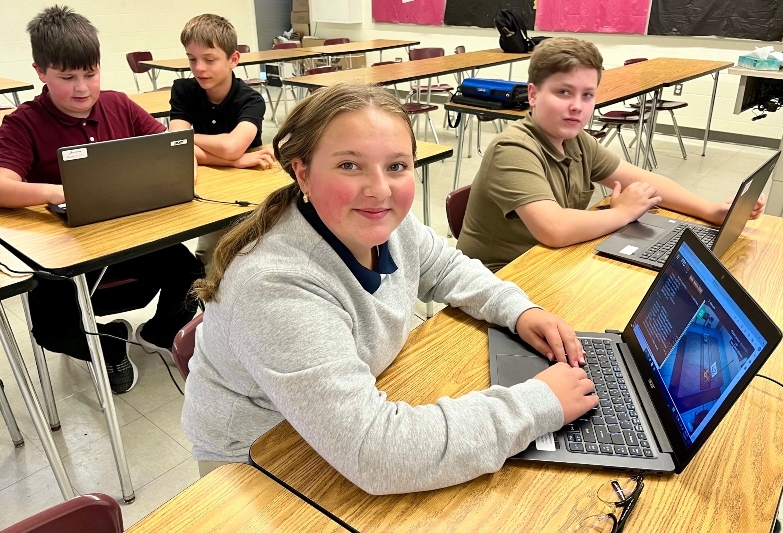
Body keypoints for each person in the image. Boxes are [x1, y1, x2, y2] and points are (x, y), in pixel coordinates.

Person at [182, 82, 598, 491]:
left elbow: (447, 267)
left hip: (335, 427)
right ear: (303, 173)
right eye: (349, 165)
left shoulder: (382, 225)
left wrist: (519, 310)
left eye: (396, 166)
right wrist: (538, 403)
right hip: (258, 462)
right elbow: (378, 454)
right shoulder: (275, 287)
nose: (380, 190)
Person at [0, 6, 203, 393]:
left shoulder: (118, 105)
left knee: (191, 274)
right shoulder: (22, 122)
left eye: (90, 74)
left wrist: (180, 173)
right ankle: (108, 345)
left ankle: (159, 333)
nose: (82, 88)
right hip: (65, 254)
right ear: (40, 72)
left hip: (130, 238)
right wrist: (63, 193)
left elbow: (173, 150)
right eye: (67, 77)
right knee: (53, 332)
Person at [456, 37, 766, 272]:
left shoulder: (576, 141)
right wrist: (620, 214)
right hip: (504, 277)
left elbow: (645, 181)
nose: (577, 106)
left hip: (552, 263)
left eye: (587, 95)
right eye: (564, 92)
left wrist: (710, 210)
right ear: (534, 94)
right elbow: (554, 229)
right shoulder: (513, 149)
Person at [169, 13, 274, 269]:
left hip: (252, 186)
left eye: (210, 60)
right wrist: (236, 161)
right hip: (210, 185)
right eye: (192, 59)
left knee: (252, 254)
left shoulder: (251, 100)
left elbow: (231, 146)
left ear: (233, 59)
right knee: (209, 259)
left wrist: (191, 141)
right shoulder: (183, 90)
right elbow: (177, 150)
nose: (199, 68)